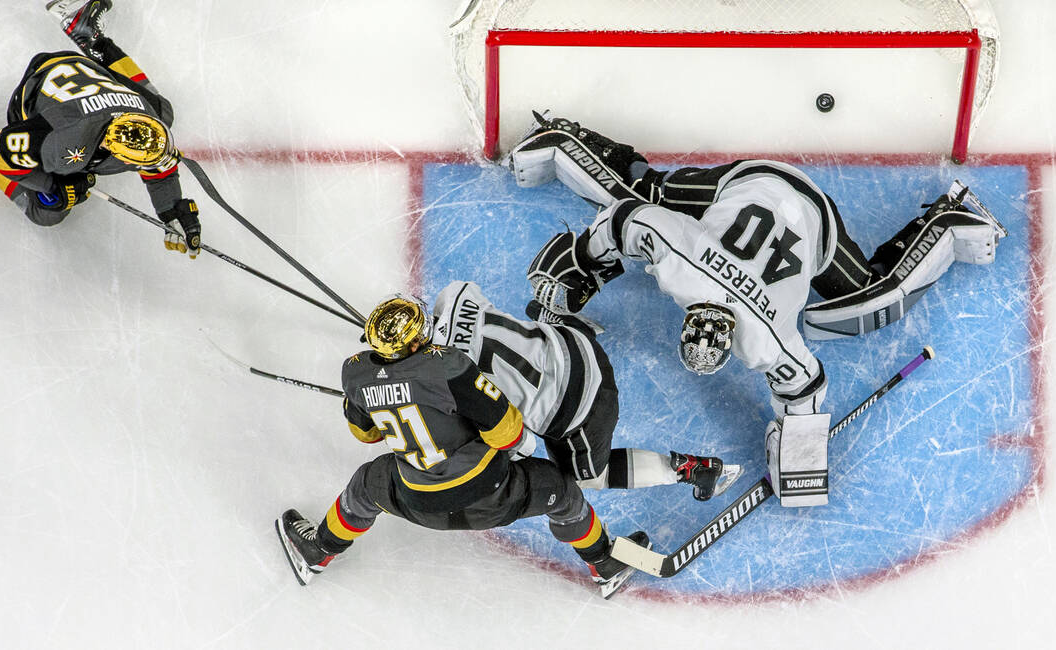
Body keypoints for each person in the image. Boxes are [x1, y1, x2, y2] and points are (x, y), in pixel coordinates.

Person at [508, 114, 1006, 507]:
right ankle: (949, 222)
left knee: (645, 191)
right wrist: (797, 459)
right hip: (758, 192)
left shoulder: (704, 283)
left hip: (812, 215)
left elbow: (625, 218)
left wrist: (580, 268)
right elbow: (804, 386)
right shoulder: (756, 331)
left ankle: (947, 220)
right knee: (873, 300)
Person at [277, 294, 650, 598]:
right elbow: (508, 431)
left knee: (364, 486)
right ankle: (604, 562)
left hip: (416, 500)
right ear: (418, 338)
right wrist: (513, 447)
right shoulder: (448, 365)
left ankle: (319, 550)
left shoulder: (355, 373)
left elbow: (366, 435)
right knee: (564, 494)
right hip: (494, 495)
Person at [0, 0, 201, 258]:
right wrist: (53, 188)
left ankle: (88, 33)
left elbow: (159, 165)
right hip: (35, 94)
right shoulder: (62, 141)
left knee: (164, 110)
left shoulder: (152, 123)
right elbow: (4, 155)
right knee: (45, 212)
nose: (157, 165)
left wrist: (169, 208)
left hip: (82, 77)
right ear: (115, 150)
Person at [429, 280, 741, 500]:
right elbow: (456, 292)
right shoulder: (456, 297)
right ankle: (568, 322)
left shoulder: (445, 384)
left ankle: (693, 470)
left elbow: (521, 445)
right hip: (576, 346)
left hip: (583, 406)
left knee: (588, 477)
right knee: (527, 331)